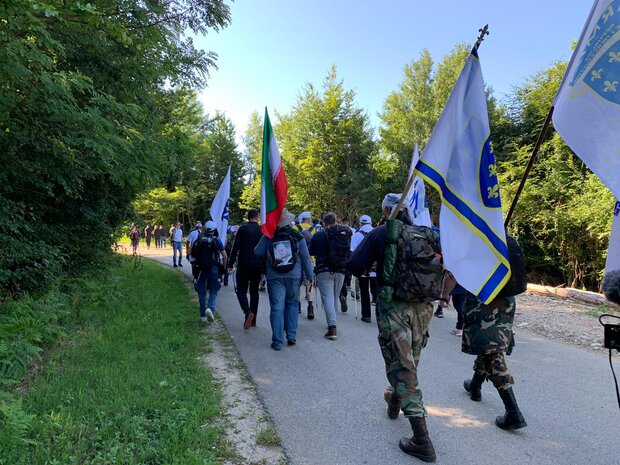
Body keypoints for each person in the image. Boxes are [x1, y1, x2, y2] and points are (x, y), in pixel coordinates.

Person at [347, 193, 437, 463]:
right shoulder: (428, 233)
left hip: (394, 308)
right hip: (423, 308)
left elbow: (354, 266)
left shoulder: (381, 233)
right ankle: (394, 400)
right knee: (409, 363)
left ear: (387, 209)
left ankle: (422, 441)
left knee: (403, 369)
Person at [460, 292, 527, 430]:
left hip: (484, 301)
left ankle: (513, 412)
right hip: (506, 298)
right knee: (489, 346)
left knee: (492, 352)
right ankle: (475, 386)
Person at [254, 208, 314, 350]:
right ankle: (291, 335)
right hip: (294, 276)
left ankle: (277, 341)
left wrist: (266, 235)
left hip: (274, 276)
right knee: (292, 303)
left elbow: (257, 252)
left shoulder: (270, 235)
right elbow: (306, 258)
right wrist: (310, 277)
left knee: (277, 308)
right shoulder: (297, 235)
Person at [308, 212, 352, 340]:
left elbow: (311, 251)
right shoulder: (344, 234)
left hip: (324, 270)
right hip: (340, 270)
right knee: (334, 296)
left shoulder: (319, 235)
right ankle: (333, 322)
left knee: (327, 298)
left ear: (323, 223)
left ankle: (332, 327)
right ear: (335, 221)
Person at [228, 209, 264, 330]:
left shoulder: (242, 229)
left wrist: (230, 264)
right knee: (254, 292)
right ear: (257, 217)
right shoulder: (262, 230)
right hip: (258, 265)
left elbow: (235, 248)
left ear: (248, 217)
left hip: (244, 264)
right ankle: (253, 320)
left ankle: (248, 312)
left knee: (241, 291)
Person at [190, 221, 225, 323]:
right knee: (214, 289)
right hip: (213, 268)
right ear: (214, 230)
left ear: (205, 229)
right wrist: (224, 267)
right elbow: (224, 254)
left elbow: (193, 254)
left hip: (200, 268)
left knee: (201, 291)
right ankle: (210, 308)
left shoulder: (199, 240)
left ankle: (202, 316)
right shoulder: (216, 240)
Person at [350, 214, 377, 323]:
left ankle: (366, 315)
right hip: (375, 268)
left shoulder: (356, 235)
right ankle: (380, 316)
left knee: (364, 290)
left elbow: (353, 252)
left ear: (360, 223)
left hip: (363, 267)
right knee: (377, 291)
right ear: (371, 223)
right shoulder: (377, 233)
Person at [296, 211, 316, 319]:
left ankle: (298, 305)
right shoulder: (314, 229)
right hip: (310, 259)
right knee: (310, 283)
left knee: (297, 283)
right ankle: (310, 306)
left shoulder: (296, 228)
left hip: (298, 260)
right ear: (308, 219)